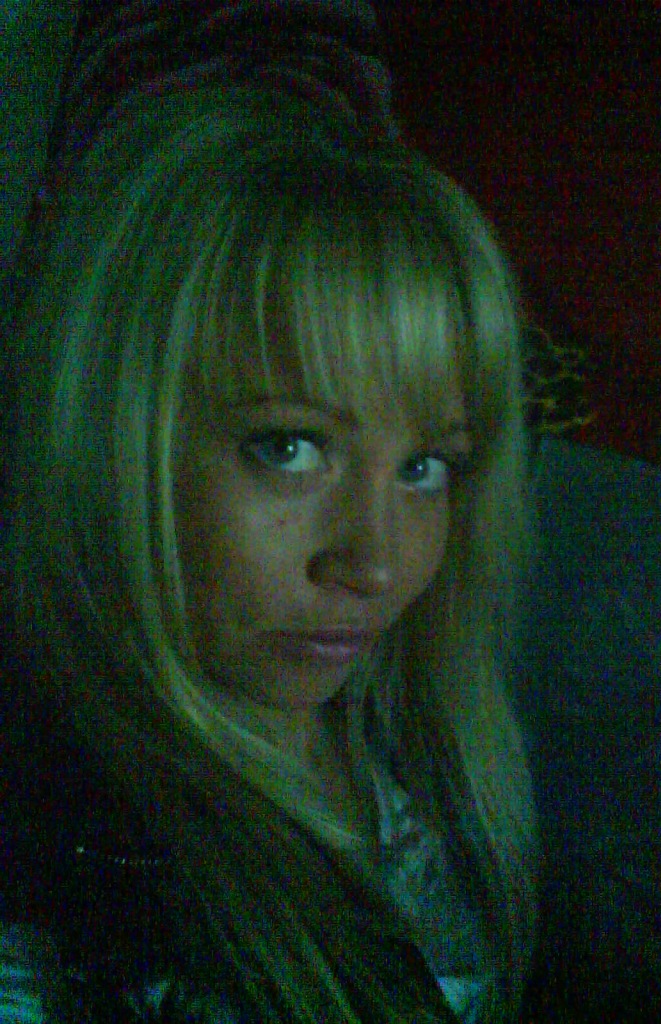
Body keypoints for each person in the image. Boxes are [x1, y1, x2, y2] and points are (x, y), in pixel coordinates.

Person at [0, 64, 538, 1024]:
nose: (376, 565)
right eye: (288, 448)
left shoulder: (410, 733)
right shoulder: (55, 902)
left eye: (426, 466)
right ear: (109, 439)